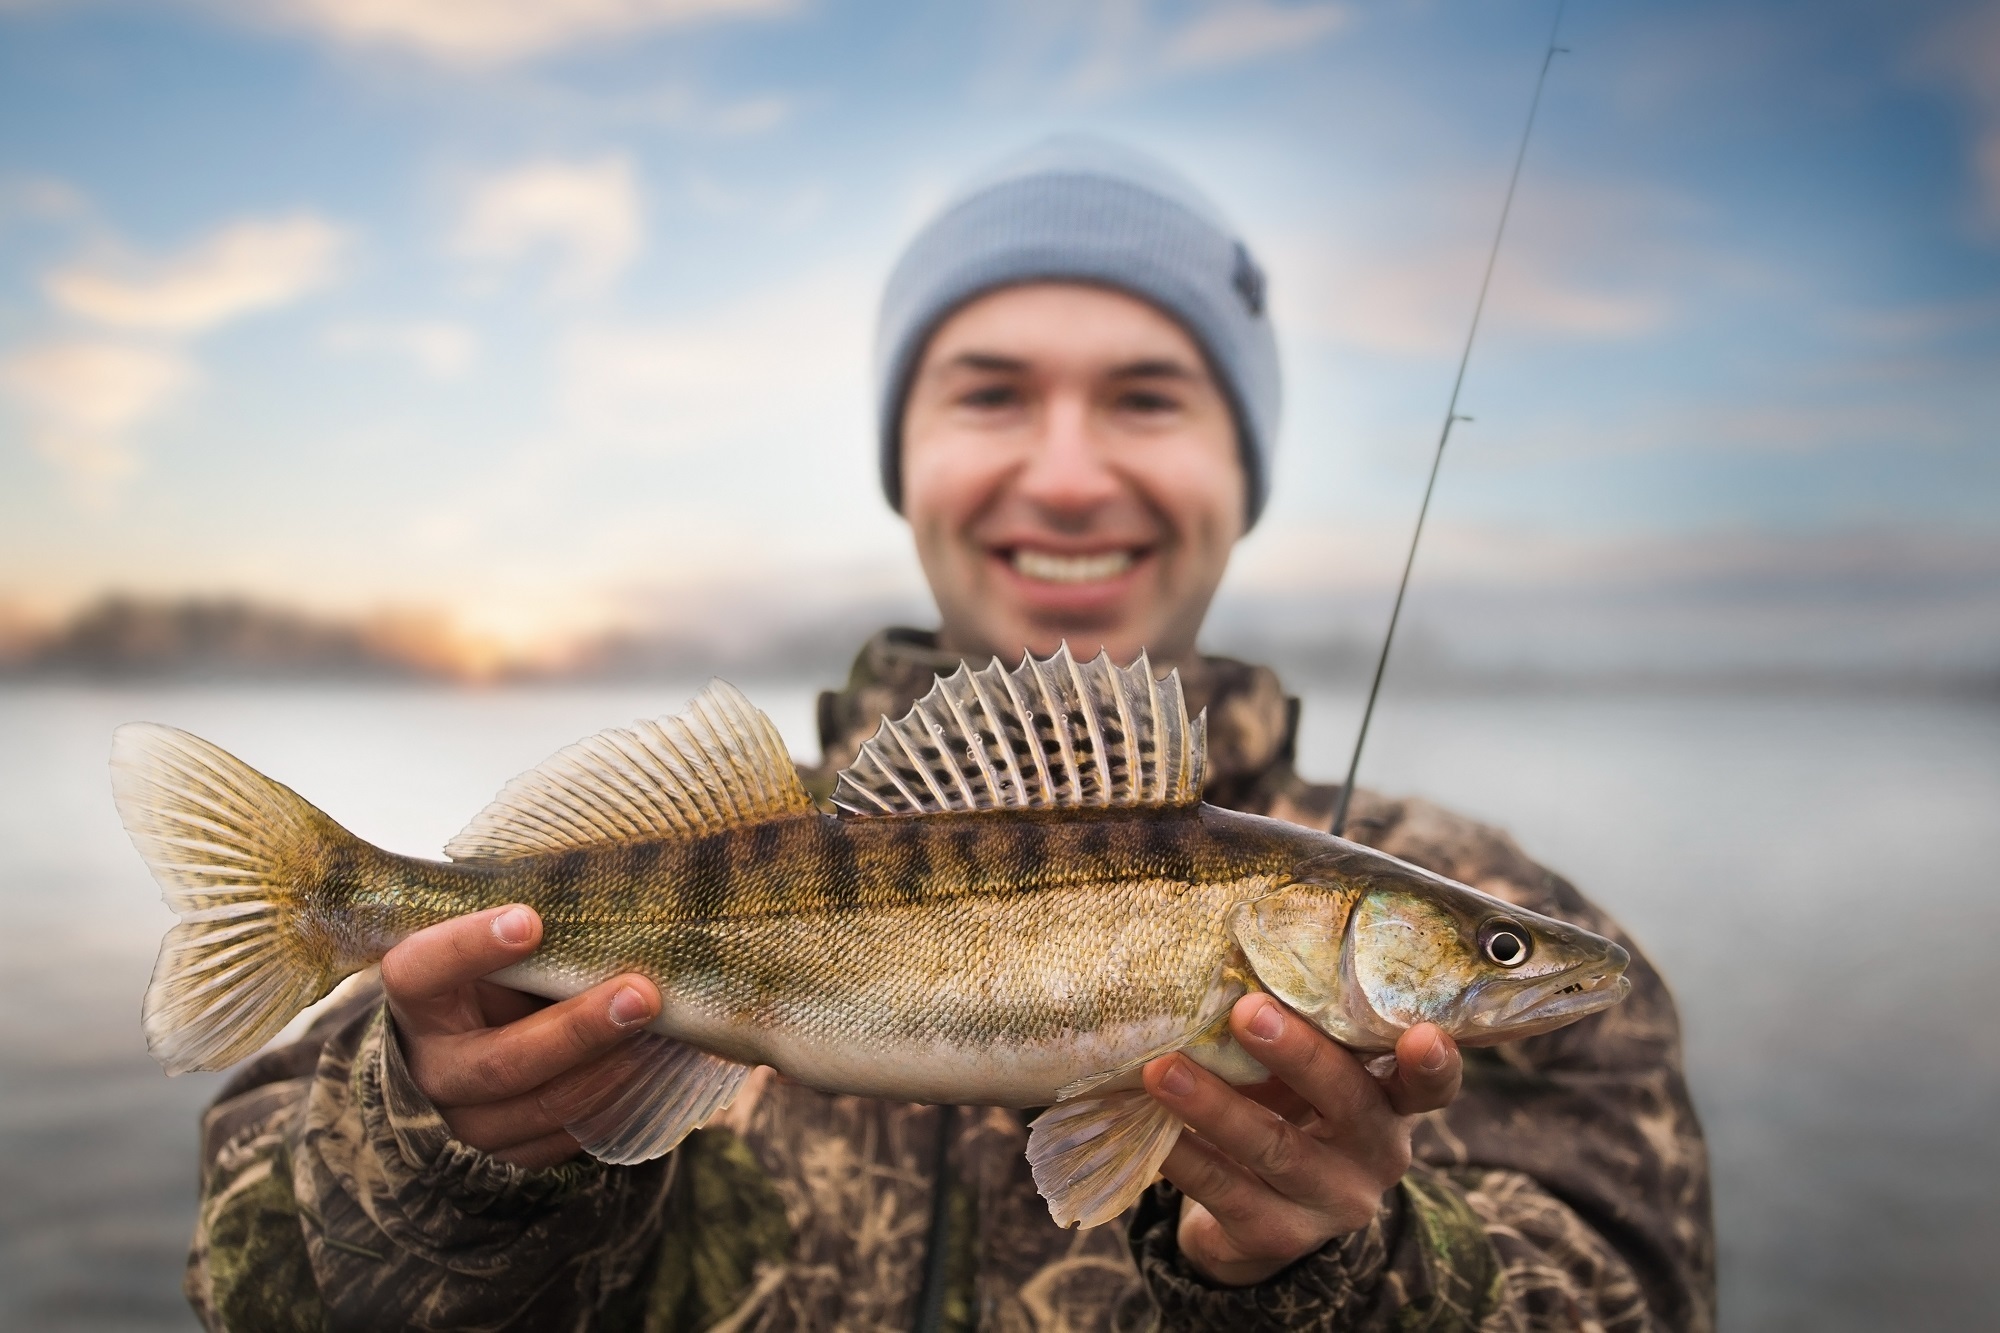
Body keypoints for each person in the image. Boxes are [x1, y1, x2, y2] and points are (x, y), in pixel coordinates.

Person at [183, 137, 1713, 1332]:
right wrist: (455, 1142)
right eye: (990, 395)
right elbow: (250, 1287)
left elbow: (1629, 1296)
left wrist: (1346, 1280)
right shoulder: (704, 845)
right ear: (900, 456)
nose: (1065, 474)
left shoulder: (1501, 914)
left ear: (1245, 468)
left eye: (1148, 398)